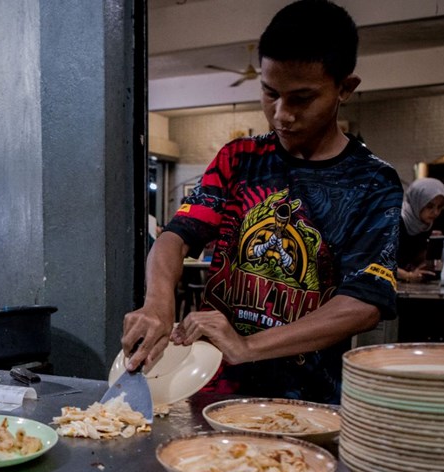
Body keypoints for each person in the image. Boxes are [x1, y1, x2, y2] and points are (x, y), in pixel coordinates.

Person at [121, 0, 403, 405]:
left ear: (345, 88)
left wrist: (249, 346)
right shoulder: (239, 159)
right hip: (208, 385)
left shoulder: (373, 182)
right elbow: (177, 237)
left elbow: (364, 302)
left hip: (306, 400)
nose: (281, 114)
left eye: (302, 98)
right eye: (270, 93)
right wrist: (157, 303)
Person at [396, 177, 444, 284]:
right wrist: (407, 275)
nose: (435, 212)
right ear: (416, 202)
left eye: (439, 207)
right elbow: (375, 261)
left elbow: (413, 254)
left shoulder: (425, 224)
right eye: (430, 206)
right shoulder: (395, 221)